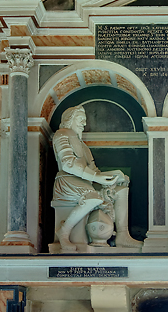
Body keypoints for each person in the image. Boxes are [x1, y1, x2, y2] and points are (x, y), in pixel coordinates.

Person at [53, 105, 143, 251]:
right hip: (67, 182)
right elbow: (67, 164)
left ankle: (122, 235)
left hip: (85, 182)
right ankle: (64, 231)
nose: (84, 124)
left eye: (84, 120)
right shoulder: (61, 134)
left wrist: (115, 176)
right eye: (81, 119)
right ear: (69, 120)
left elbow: (95, 171)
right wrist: (97, 177)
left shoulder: (84, 146)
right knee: (93, 197)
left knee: (121, 189)